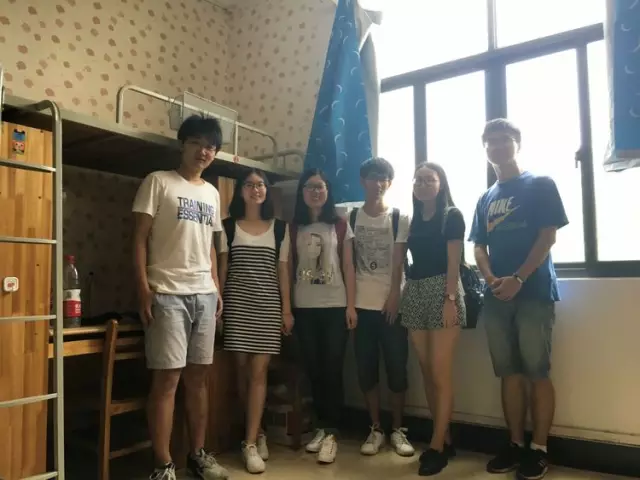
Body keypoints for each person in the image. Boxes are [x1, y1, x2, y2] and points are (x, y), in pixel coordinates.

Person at [469, 118, 568, 480]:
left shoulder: (540, 184)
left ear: (518, 144)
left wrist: (519, 278)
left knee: (536, 371)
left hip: (534, 292)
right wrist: (492, 279)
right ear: (485, 149)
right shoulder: (485, 197)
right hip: (497, 296)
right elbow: (478, 246)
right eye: (491, 141)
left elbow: (547, 237)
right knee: (508, 372)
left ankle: (539, 449)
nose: (497, 146)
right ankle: (514, 443)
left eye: (504, 139)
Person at [132, 115, 229, 480]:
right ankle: (163, 465)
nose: (204, 151)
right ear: (182, 144)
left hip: (204, 295)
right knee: (167, 381)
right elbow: (139, 239)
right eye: (197, 143)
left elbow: (210, 246)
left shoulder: (213, 193)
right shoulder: (158, 181)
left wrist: (216, 287)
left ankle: (198, 455)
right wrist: (143, 289)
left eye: (211, 146)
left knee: (199, 380)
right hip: (167, 294)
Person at [218, 169, 293, 474]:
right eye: (249, 185)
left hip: (267, 308)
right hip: (237, 307)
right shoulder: (227, 226)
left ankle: (249, 443)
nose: (255, 189)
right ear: (240, 191)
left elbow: (283, 271)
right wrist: (219, 306)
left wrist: (286, 310)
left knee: (259, 373)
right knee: (241, 373)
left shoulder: (280, 229)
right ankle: (258, 431)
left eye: (260, 185)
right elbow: (222, 271)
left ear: (267, 191)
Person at [399, 162, 466, 476]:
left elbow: (454, 261)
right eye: (418, 180)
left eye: (429, 179)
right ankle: (445, 437)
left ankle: (436, 446)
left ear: (441, 183)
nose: (423, 184)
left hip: (443, 291)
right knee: (427, 372)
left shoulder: (452, 216)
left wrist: (450, 299)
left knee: (440, 373)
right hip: (415, 292)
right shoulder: (412, 219)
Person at [348, 157, 414, 458]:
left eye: (384, 178)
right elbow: (348, 263)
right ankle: (375, 428)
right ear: (363, 181)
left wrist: (394, 297)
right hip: (361, 305)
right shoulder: (351, 217)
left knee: (397, 368)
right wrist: (350, 304)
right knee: (366, 369)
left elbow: (399, 262)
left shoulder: (399, 217)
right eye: (373, 177)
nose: (378, 183)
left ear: (390, 182)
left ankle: (398, 428)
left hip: (392, 306)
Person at [290, 168, 357, 465]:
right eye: (310, 187)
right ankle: (320, 426)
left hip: (335, 306)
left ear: (328, 191)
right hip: (304, 307)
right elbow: (287, 267)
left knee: (332, 367)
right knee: (314, 369)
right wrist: (287, 308)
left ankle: (332, 432)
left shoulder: (340, 224)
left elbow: (348, 266)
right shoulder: (294, 227)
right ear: (302, 192)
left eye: (320, 186)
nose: (315, 192)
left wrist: (351, 306)